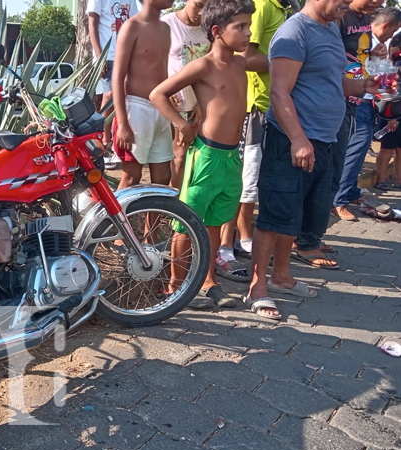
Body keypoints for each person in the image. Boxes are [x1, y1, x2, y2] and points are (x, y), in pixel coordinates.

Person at [245, 0, 391, 320]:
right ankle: (258, 288)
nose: (346, 4)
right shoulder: (294, 32)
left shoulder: (330, 28)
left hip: (324, 138)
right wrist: (298, 139)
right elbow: (280, 92)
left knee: (296, 213)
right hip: (293, 140)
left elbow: (333, 81)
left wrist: (365, 85)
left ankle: (281, 276)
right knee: (275, 213)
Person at [150, 0, 254, 310]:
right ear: (217, 31)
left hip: (231, 157)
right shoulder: (203, 65)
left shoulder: (239, 64)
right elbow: (159, 94)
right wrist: (181, 123)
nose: (248, 33)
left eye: (249, 25)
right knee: (186, 222)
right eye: (241, 27)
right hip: (206, 157)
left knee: (213, 222)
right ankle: (175, 286)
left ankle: (206, 280)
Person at [213, 0, 288, 283]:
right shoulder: (263, 6)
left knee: (249, 181)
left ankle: (242, 238)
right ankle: (224, 246)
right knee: (242, 180)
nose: (245, 30)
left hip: (267, 107)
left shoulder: (281, 8)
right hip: (252, 108)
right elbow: (247, 57)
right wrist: (287, 60)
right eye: (240, 26)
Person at [331, 0, 390, 222]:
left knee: (357, 146)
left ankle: (345, 194)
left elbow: (360, 52)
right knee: (343, 152)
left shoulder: (365, 17)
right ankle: (338, 200)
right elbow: (334, 57)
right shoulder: (339, 16)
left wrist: (374, 53)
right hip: (341, 96)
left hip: (360, 94)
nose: (379, 3)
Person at [113, 0, 175, 193]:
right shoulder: (132, 26)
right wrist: (122, 123)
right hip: (137, 109)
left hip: (160, 108)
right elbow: (117, 77)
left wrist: (169, 114)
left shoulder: (165, 28)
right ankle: (114, 222)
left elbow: (162, 71)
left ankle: (152, 225)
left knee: (162, 178)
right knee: (131, 177)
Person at [161, 0, 211, 191]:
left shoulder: (210, 31)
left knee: (197, 160)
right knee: (178, 158)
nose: (201, 12)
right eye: (198, 5)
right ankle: (174, 213)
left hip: (199, 106)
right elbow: (156, 61)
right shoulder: (167, 24)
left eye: (206, 7)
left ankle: (185, 211)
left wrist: (201, 103)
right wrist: (165, 87)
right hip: (175, 106)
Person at [87, 0, 139, 150]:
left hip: (127, 55)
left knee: (126, 98)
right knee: (109, 96)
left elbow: (134, 23)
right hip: (107, 56)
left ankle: (121, 140)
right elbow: (92, 24)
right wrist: (99, 56)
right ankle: (104, 142)